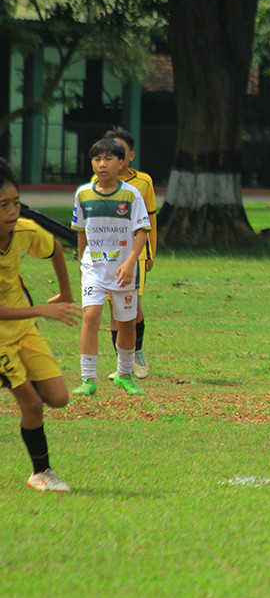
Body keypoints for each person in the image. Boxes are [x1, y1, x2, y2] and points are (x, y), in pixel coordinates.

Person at [0, 159, 82, 491]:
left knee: (58, 397)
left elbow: (56, 250)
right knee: (32, 404)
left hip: (24, 332)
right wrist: (41, 311)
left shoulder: (24, 231)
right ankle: (41, 473)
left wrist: (65, 291)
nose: (12, 210)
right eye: (4, 204)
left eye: (16, 202)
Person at [71, 138, 151, 398]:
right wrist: (82, 259)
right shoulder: (83, 193)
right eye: (97, 159)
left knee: (126, 324)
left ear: (121, 162)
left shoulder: (131, 194)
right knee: (91, 316)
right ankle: (88, 379)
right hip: (94, 269)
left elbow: (141, 232)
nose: (102, 165)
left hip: (123, 271)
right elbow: (81, 231)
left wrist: (130, 262)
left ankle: (125, 374)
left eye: (108, 159)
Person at [97, 127, 157, 381]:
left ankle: (138, 355)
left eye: (118, 152)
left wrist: (151, 252)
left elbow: (150, 220)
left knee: (132, 305)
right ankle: (124, 363)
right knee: (113, 308)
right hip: (107, 254)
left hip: (135, 254)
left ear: (129, 156)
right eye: (107, 153)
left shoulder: (142, 182)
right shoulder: (95, 183)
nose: (111, 158)